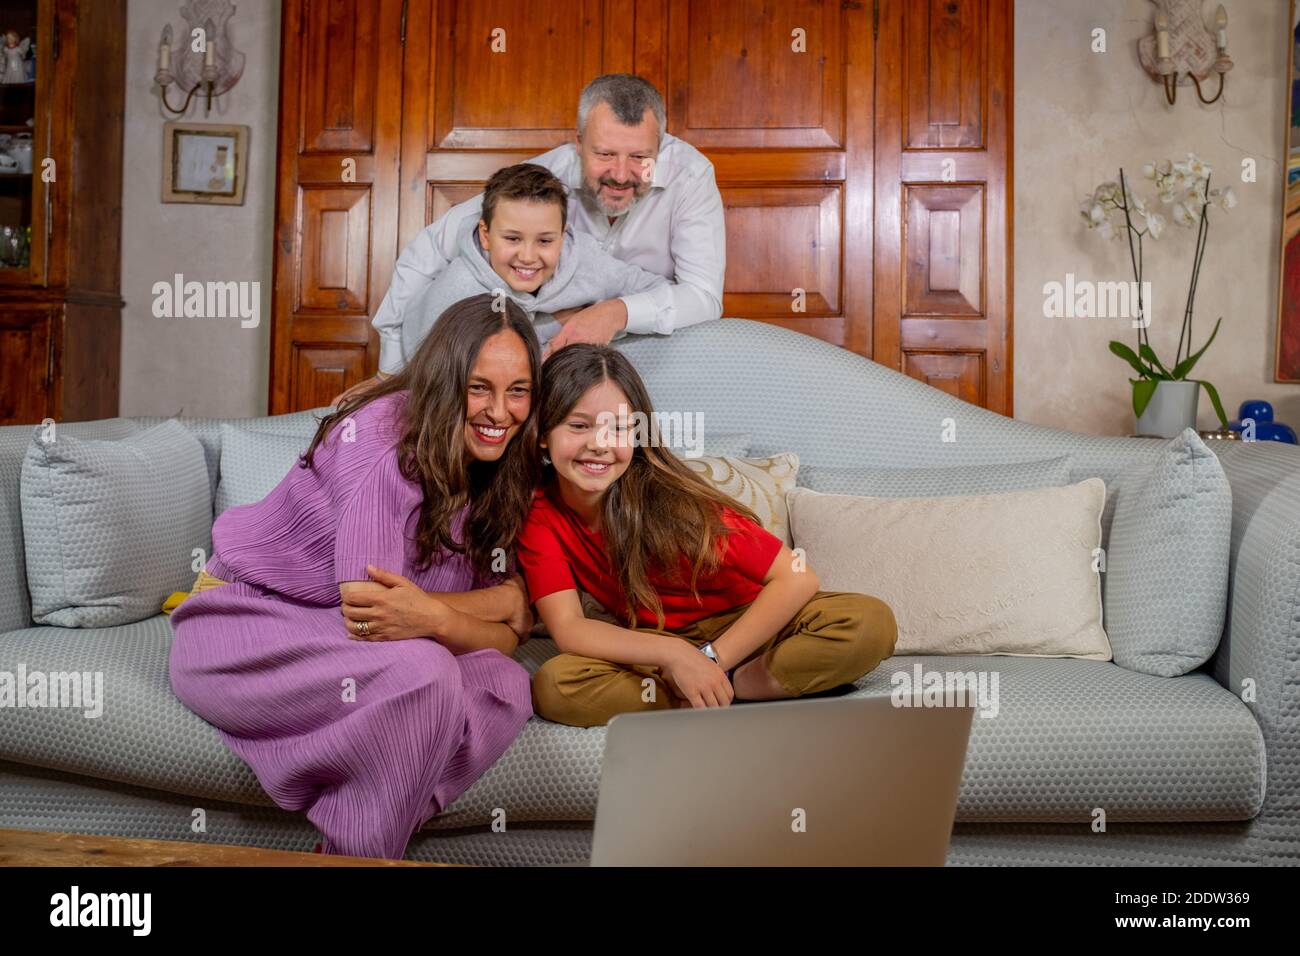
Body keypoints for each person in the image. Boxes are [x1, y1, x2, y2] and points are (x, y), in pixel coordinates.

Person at [169, 294, 540, 859]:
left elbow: (510, 640)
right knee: (424, 672)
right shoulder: (381, 442)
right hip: (242, 625)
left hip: (335, 637)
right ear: (444, 382)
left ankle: (354, 842)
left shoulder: (502, 464)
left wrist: (446, 613)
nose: (499, 412)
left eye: (518, 391)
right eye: (478, 387)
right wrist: (494, 605)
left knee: (505, 685)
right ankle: (362, 850)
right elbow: (376, 615)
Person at [515, 344, 899, 728]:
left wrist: (712, 661)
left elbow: (797, 577)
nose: (598, 444)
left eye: (617, 428)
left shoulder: (673, 502)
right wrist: (675, 656)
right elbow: (570, 628)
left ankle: (725, 686)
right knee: (555, 684)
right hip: (654, 647)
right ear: (543, 434)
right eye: (578, 426)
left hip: (749, 631)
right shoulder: (539, 514)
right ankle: (717, 690)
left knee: (868, 623)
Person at [333, 73, 725, 404]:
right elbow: (428, 251)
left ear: (662, 145)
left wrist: (615, 312)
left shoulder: (690, 177)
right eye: (605, 155)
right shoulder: (539, 179)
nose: (621, 175)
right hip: (532, 366)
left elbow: (704, 296)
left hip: (643, 353)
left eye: (640, 157)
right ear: (578, 143)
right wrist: (389, 374)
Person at [398, 163, 671, 365]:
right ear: (486, 236)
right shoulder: (458, 289)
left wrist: (608, 313)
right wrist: (554, 324)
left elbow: (662, 291)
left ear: (563, 237)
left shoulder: (586, 259)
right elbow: (431, 377)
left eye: (544, 241)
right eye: (513, 238)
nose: (528, 257)